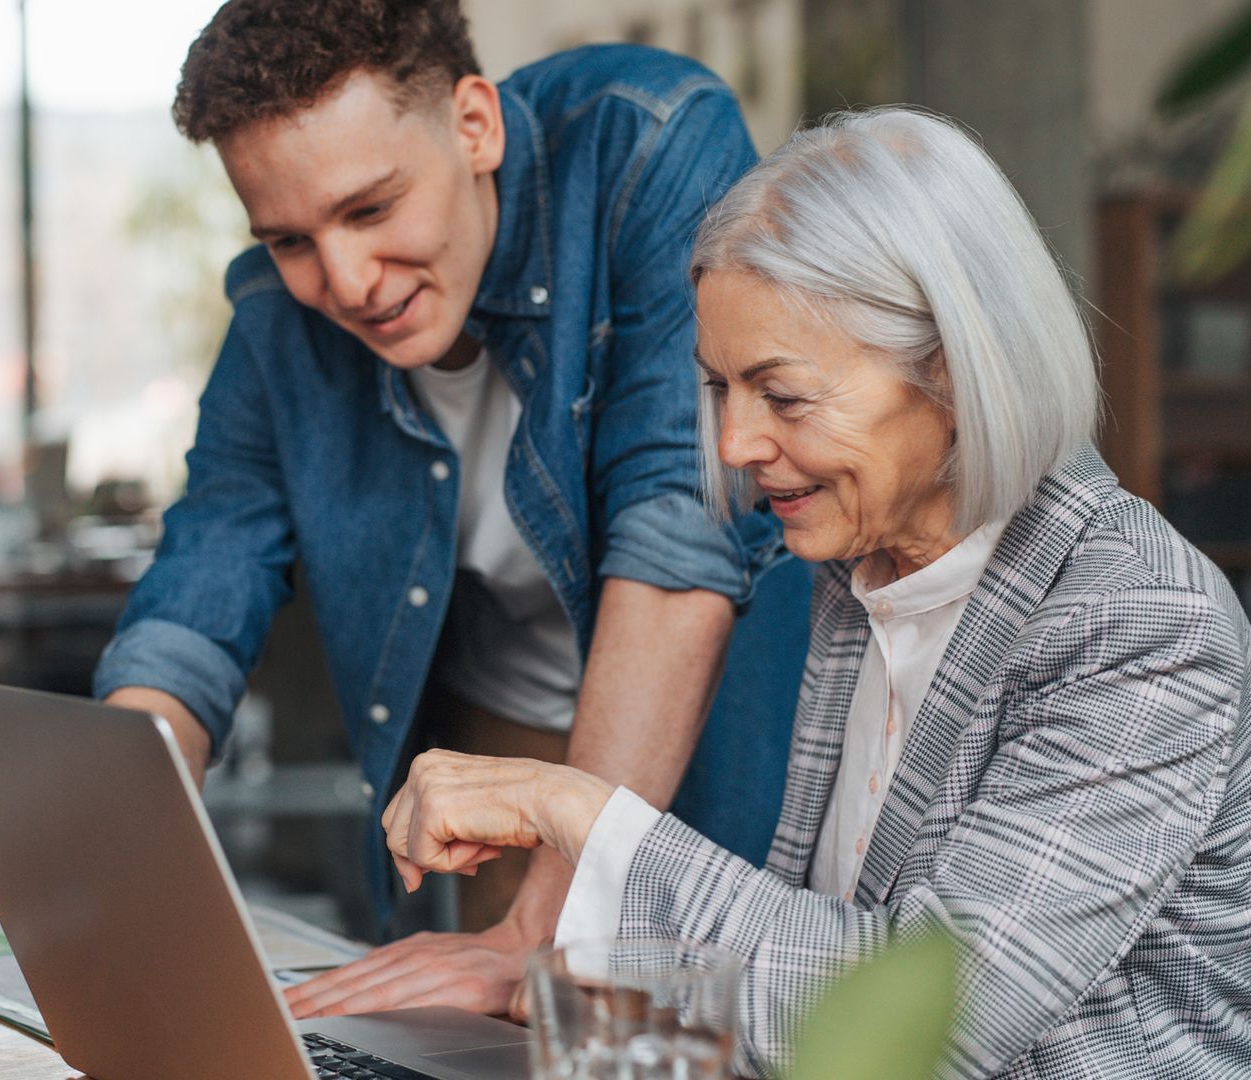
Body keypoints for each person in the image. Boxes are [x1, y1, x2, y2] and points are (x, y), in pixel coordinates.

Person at [378, 108, 1251, 1077]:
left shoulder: (1141, 617)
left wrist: (576, 809)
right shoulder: (851, 575)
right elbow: (827, 948)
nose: (735, 445)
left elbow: (930, 1022)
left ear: (947, 365)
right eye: (718, 390)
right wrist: (568, 990)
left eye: (782, 395)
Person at [94, 0, 810, 1020]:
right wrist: (112, 840)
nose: (343, 282)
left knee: (690, 1019)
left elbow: (681, 534)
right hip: (497, 758)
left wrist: (543, 930)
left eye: (372, 210)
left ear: (474, 123)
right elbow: (200, 589)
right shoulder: (276, 314)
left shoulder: (644, 141)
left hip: (690, 726)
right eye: (291, 238)